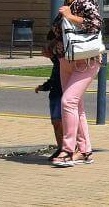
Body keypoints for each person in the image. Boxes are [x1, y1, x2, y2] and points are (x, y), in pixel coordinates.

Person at [51, 0, 102, 168]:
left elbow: (96, 24)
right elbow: (59, 33)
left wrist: (71, 17)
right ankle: (85, 151)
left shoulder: (84, 0)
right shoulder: (67, 3)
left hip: (86, 61)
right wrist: (51, 48)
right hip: (66, 61)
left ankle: (67, 149)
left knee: (68, 102)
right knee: (76, 106)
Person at [34, 23, 64, 160]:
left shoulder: (61, 59)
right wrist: (44, 86)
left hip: (60, 93)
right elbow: (54, 77)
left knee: (59, 121)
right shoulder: (56, 59)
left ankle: (65, 148)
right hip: (55, 92)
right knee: (56, 122)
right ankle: (61, 147)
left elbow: (58, 77)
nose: (43, 50)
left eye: (47, 46)